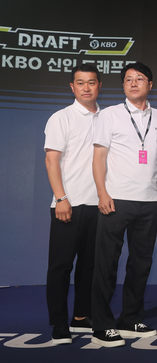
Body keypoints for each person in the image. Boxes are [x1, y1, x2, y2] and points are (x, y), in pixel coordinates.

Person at [91, 62, 157, 347]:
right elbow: (99, 158)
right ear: (123, 85)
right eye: (128, 79)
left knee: (140, 263)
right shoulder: (109, 115)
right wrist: (102, 193)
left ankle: (130, 319)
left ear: (150, 85)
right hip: (115, 199)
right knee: (106, 263)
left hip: (148, 201)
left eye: (139, 79)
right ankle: (101, 324)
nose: (133, 83)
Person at [44, 64, 102, 344]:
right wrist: (61, 198)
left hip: (99, 205)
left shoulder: (108, 118)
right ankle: (58, 322)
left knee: (89, 266)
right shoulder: (61, 118)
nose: (86, 88)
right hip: (68, 203)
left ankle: (81, 316)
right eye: (80, 83)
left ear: (99, 85)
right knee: (61, 266)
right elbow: (51, 160)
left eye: (91, 82)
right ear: (72, 87)